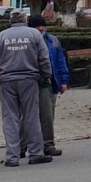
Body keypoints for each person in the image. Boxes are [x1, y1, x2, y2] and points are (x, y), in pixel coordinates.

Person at [0, 11, 54, 167]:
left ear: (10, 21)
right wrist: (46, 76)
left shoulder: (2, 36)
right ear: (25, 20)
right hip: (29, 80)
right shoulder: (34, 34)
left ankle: (12, 157)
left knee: (10, 118)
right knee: (31, 117)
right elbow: (44, 58)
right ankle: (35, 153)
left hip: (7, 81)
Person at [28, 14, 70, 157]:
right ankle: (24, 145)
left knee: (47, 115)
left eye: (43, 25)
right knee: (27, 115)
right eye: (37, 26)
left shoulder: (53, 40)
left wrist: (64, 80)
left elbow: (60, 61)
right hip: (31, 83)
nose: (41, 28)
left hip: (49, 83)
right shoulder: (28, 41)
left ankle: (48, 144)